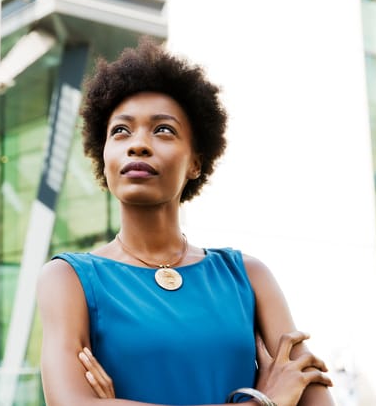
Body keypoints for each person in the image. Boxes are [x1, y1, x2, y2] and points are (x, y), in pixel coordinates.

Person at [37, 38, 334, 406]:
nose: (138, 145)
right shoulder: (68, 279)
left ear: (195, 161)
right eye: (120, 131)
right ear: (104, 156)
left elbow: (314, 398)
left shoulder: (249, 276)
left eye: (163, 130)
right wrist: (263, 402)